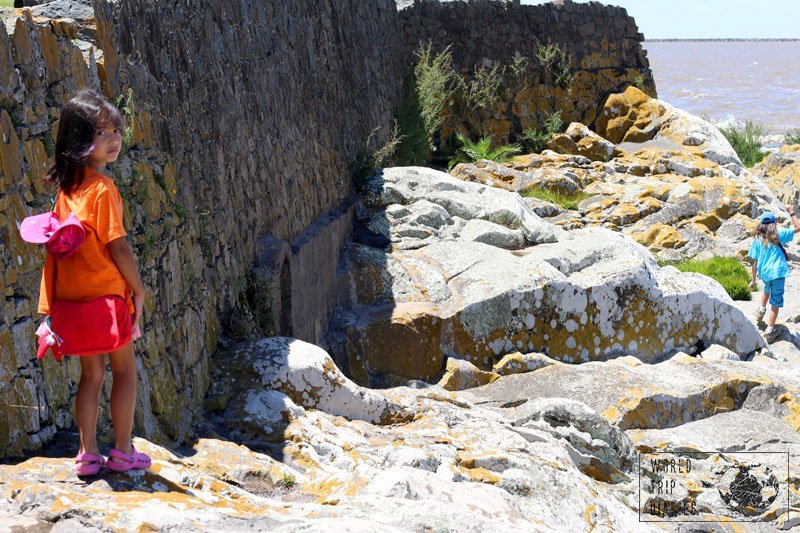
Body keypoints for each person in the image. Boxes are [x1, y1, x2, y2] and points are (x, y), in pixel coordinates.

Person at [37, 89, 150, 475]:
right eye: (102, 133)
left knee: (90, 376)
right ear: (79, 140)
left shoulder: (65, 192)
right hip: (107, 299)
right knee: (124, 370)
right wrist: (138, 287)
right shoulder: (102, 189)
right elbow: (117, 248)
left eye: (116, 129)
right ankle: (121, 450)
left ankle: (86, 453)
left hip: (73, 300)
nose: (114, 138)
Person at [749, 206, 800, 342]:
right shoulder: (780, 234)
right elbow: (798, 227)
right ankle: (770, 331)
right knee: (776, 302)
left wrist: (753, 280)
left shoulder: (758, 239)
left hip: (764, 273)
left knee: (767, 289)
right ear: (774, 224)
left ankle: (760, 311)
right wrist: (791, 212)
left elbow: (753, 261)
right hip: (777, 272)